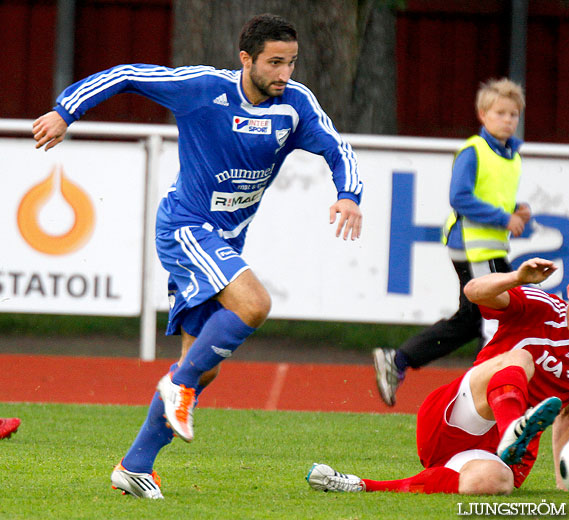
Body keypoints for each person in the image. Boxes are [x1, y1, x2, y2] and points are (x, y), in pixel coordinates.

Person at [33, 13, 363, 499]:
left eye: (291, 62)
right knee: (253, 304)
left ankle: (136, 463)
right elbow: (127, 75)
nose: (284, 74)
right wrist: (66, 110)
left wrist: (349, 194)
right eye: (274, 63)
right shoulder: (202, 87)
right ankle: (177, 387)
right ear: (245, 58)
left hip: (227, 241)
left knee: (203, 365)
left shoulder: (295, 104)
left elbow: (338, 149)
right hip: (185, 227)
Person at [308, 251, 569, 495]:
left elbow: (567, 415)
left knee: (495, 483)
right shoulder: (538, 306)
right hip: (460, 416)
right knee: (520, 359)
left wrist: (564, 481)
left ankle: (361, 485)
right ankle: (511, 428)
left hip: (494, 456)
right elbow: (474, 291)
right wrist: (517, 277)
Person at [373, 78, 531, 407]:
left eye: (513, 114)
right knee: (496, 317)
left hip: (490, 248)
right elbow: (460, 198)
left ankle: (400, 361)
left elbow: (492, 196)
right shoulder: (474, 150)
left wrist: (515, 209)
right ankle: (485, 394)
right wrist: (505, 219)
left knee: (473, 319)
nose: (507, 120)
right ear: (483, 114)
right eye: (500, 112)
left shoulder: (511, 156)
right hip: (474, 248)